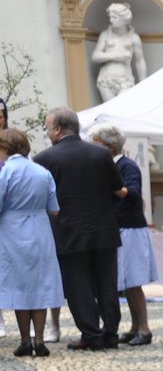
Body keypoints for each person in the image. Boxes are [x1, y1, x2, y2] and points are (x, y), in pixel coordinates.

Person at [35, 108, 126, 350]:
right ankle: (111, 334)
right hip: (104, 229)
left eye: (47, 127)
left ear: (56, 130)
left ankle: (91, 334)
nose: (47, 131)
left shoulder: (44, 159)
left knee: (78, 286)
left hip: (68, 231)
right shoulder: (100, 154)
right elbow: (117, 186)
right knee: (107, 283)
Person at [85, 124, 159, 345]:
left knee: (134, 281)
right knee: (126, 282)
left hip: (130, 229)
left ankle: (144, 328)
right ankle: (135, 326)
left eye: (96, 144)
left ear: (110, 145)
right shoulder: (108, 166)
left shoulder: (127, 166)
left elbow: (134, 194)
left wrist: (113, 186)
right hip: (117, 228)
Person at [0, 128, 64, 357]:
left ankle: (25, 340)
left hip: (12, 231)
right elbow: (54, 209)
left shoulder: (5, 171)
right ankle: (39, 340)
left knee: (20, 286)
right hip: (40, 229)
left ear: (5, 148)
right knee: (41, 284)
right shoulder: (42, 172)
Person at [90, 3, 147, 102]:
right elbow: (95, 56)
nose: (111, 20)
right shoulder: (105, 35)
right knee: (109, 112)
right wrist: (116, 56)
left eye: (114, 18)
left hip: (125, 81)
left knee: (122, 109)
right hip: (106, 80)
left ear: (124, 19)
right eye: (110, 17)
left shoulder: (134, 38)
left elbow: (140, 61)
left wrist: (144, 83)